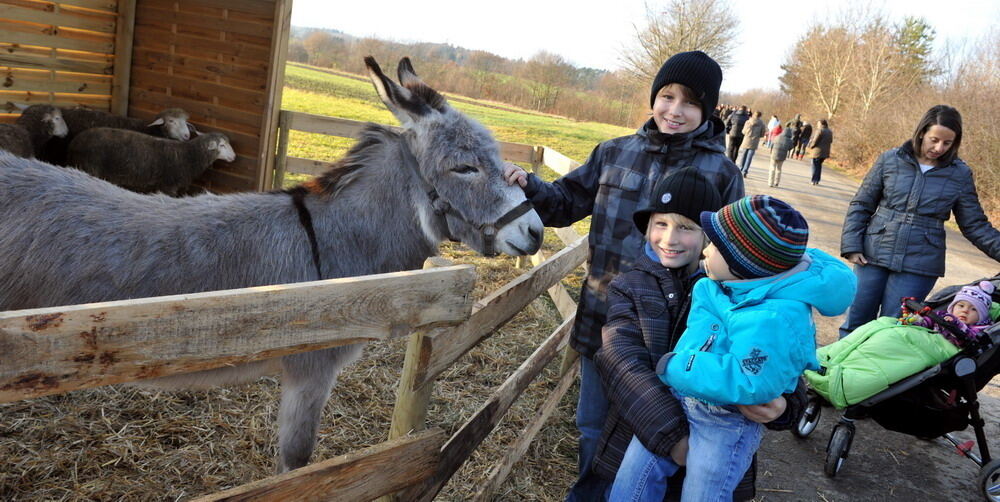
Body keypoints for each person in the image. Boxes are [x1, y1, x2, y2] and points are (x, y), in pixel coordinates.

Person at [503, 50, 744, 501]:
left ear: (708, 110)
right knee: (592, 426)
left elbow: (730, 256)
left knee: (656, 438)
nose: (675, 110)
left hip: (675, 336)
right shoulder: (614, 153)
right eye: (667, 96)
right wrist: (528, 185)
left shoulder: (722, 173)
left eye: (690, 102)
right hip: (603, 321)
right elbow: (564, 203)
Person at [609, 195, 855, 501]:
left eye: (713, 245)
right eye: (661, 224)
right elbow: (619, 360)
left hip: (723, 418)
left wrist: (677, 366)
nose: (706, 250)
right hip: (668, 407)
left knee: (704, 493)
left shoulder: (771, 315)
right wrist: (670, 434)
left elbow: (757, 379)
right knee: (632, 481)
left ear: (741, 264)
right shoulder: (723, 285)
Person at [839, 105, 1000, 338]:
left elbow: (975, 225)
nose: (939, 148)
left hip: (920, 263)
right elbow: (862, 204)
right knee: (856, 323)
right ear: (922, 132)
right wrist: (852, 245)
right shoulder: (890, 159)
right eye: (934, 140)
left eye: (947, 143)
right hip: (872, 254)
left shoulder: (959, 173)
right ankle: (836, 363)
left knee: (893, 331)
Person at [807, 280, 997, 409]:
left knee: (892, 343)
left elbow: (967, 338)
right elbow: (928, 322)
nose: (965, 311)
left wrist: (956, 325)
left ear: (981, 316)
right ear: (953, 306)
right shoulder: (944, 316)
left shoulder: (978, 329)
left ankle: (847, 382)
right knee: (883, 323)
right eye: (961, 306)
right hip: (922, 336)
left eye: (973, 309)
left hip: (940, 349)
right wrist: (916, 320)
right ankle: (828, 359)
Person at [737, 111, 765, 177]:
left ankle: (740, 169)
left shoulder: (748, 122)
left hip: (746, 140)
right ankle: (745, 171)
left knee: (743, 156)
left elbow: (743, 131)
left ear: (753, 115)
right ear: (760, 116)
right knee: (749, 158)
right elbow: (762, 134)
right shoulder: (762, 124)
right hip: (754, 142)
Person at [768, 120, 796, 188]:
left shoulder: (777, 136)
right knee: (779, 169)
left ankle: (770, 182)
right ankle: (776, 182)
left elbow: (772, 144)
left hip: (774, 154)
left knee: (772, 168)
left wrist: (771, 151)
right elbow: (791, 148)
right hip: (782, 156)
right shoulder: (789, 140)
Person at [806, 119, 832, 185]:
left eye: (818, 123)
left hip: (817, 151)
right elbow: (831, 141)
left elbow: (815, 140)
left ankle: (814, 180)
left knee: (814, 166)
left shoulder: (820, 130)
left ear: (821, 124)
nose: (817, 125)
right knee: (819, 166)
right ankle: (817, 180)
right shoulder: (830, 131)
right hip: (825, 152)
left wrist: (811, 146)